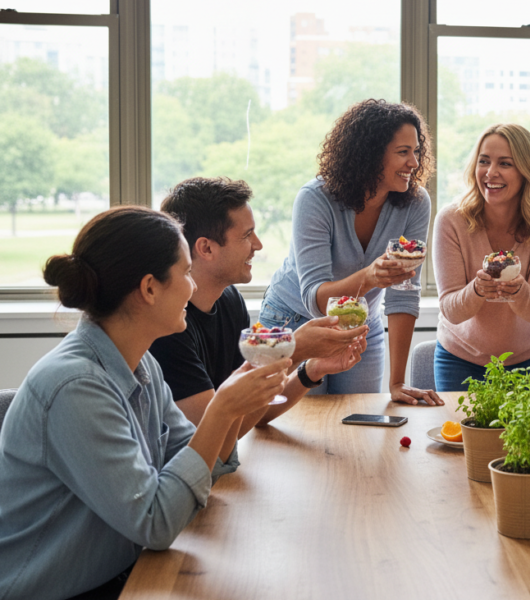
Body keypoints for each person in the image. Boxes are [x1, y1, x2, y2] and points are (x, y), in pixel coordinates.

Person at [0, 207, 289, 600]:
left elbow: (208, 467)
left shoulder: (141, 362)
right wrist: (221, 409)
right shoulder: (76, 387)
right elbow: (155, 522)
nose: (192, 286)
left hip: (125, 573)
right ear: (150, 288)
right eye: (186, 273)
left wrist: (232, 409)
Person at [149, 177, 368, 434]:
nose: (258, 245)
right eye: (246, 235)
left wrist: (312, 369)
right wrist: (291, 349)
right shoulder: (168, 326)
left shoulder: (230, 300)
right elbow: (212, 437)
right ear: (206, 248)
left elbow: (252, 414)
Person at [259, 99, 443, 405]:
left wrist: (396, 382)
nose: (414, 162)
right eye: (403, 152)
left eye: (416, 152)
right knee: (296, 425)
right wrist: (370, 277)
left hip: (361, 326)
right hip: (296, 319)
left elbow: (404, 292)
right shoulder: (315, 199)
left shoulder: (415, 203)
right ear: (370, 155)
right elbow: (315, 298)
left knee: (357, 421)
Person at [432, 124, 530, 391]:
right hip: (460, 360)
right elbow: (451, 310)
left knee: (524, 435)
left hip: (527, 363)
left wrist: (518, 290)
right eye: (484, 161)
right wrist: (478, 289)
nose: (490, 173)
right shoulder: (451, 220)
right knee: (459, 434)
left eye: (505, 163)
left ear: (526, 171)